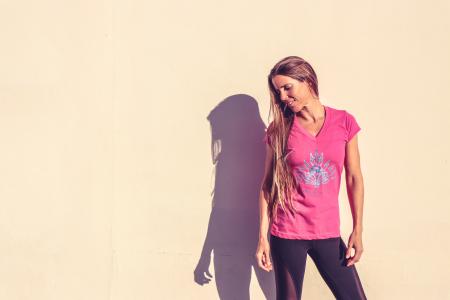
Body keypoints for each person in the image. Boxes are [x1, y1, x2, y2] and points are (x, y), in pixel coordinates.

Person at [255, 56, 367, 300]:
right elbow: (267, 185)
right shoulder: (279, 129)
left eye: (287, 87)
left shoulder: (344, 122)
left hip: (327, 232)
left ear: (306, 80)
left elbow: (354, 178)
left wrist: (357, 229)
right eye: (278, 91)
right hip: (287, 233)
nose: (283, 96)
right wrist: (262, 236)